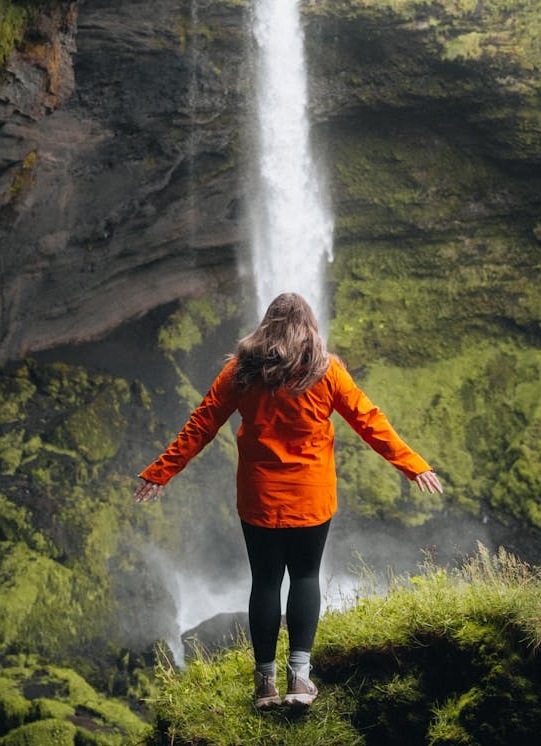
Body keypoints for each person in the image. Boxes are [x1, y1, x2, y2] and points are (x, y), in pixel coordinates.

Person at [134, 292, 443, 710]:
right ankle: (300, 680)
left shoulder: (240, 372)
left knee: (264, 582)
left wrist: (161, 471)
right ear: (309, 327)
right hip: (311, 498)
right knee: (305, 577)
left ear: (267, 326)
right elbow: (369, 420)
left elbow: (202, 423)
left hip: (260, 498)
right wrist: (412, 465)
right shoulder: (326, 372)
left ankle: (265, 686)